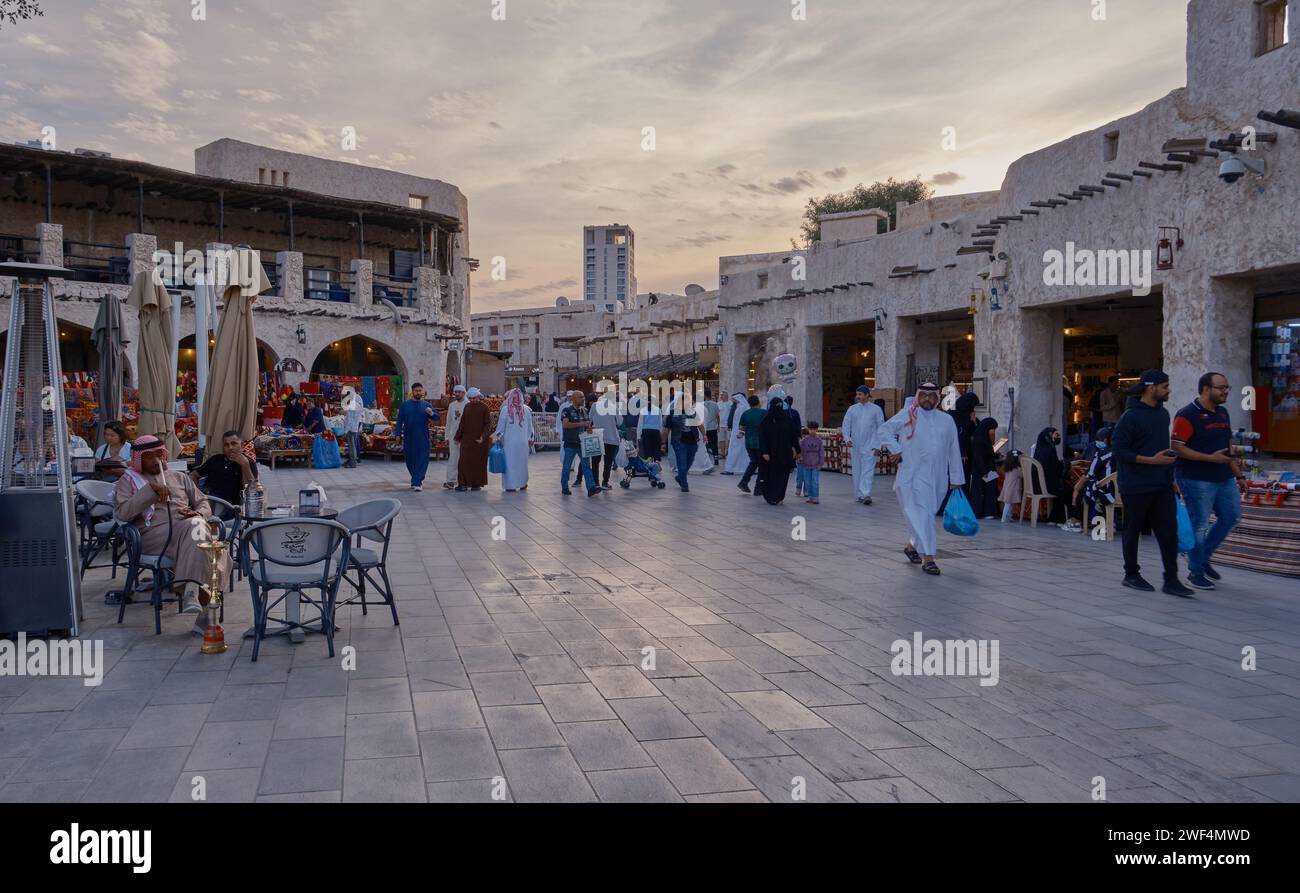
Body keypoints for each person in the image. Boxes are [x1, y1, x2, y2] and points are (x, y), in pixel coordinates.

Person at [114, 435, 228, 634]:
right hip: (153, 536)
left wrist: (199, 513)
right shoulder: (127, 481)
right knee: (213, 548)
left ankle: (192, 592)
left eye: (160, 454)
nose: (157, 460)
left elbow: (203, 503)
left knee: (202, 533)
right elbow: (123, 513)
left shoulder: (179, 477)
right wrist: (149, 491)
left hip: (188, 530)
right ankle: (205, 611)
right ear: (139, 459)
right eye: (150, 457)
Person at [1110, 369, 1194, 598]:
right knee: (1133, 529)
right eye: (1165, 387)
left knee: (1168, 531)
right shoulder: (1130, 417)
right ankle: (1131, 574)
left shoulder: (1163, 414)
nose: (1168, 391)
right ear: (1151, 388)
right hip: (1135, 484)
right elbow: (1119, 451)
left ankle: (1171, 579)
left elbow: (1162, 449)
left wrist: (1171, 478)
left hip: (1161, 484)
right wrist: (1151, 461)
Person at [875, 383, 965, 576]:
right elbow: (883, 430)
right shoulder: (908, 415)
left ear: (937, 398)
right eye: (923, 395)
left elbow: (953, 449)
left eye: (930, 396)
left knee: (926, 515)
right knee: (923, 515)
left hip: (938, 478)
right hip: (912, 476)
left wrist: (957, 477)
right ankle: (929, 558)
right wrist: (896, 450)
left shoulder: (946, 421)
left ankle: (911, 546)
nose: (926, 399)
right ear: (917, 397)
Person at [1171, 371, 1247, 590]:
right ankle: (1195, 571)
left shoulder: (1222, 413)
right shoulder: (1187, 415)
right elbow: (1177, 447)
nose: (1225, 392)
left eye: (1227, 388)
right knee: (1200, 524)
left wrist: (1238, 474)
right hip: (1196, 478)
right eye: (1221, 388)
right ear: (1206, 389)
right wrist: (1209, 458)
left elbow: (1228, 448)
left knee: (1231, 517)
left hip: (1223, 477)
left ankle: (1202, 557)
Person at [191, 430, 260, 506]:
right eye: (226, 445)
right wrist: (196, 494)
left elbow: (251, 492)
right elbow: (193, 475)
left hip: (225, 505)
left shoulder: (249, 463)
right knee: (180, 478)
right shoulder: (216, 459)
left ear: (242, 445)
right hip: (205, 498)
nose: (230, 447)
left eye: (234, 444)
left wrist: (244, 465)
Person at [842, 385, 885, 506]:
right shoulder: (852, 409)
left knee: (868, 470)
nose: (858, 397)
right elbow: (846, 424)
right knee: (857, 470)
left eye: (860, 394)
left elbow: (880, 428)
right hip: (856, 445)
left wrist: (878, 445)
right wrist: (847, 438)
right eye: (857, 394)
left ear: (867, 395)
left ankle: (866, 494)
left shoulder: (876, 409)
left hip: (870, 445)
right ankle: (859, 494)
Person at [1073, 425, 1117, 529]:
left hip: (1107, 492)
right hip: (1123, 492)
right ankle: (1109, 522)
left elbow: (1090, 473)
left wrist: (1076, 488)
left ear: (1105, 440)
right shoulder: (1121, 451)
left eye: (1098, 440)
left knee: (1083, 490)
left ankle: (1077, 521)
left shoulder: (1102, 453)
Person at [396, 383, 438, 492]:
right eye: (416, 391)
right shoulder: (405, 405)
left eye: (420, 390)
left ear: (423, 392)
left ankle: (417, 482)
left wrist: (431, 413)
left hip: (423, 437)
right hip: (409, 437)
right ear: (412, 392)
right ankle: (415, 478)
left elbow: (436, 417)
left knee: (422, 460)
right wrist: (397, 434)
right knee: (410, 460)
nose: (418, 392)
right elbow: (399, 421)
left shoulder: (427, 405)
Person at [756, 397, 798, 505]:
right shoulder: (766, 421)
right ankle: (771, 496)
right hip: (771, 454)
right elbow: (762, 437)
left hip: (784, 454)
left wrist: (797, 450)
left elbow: (793, 435)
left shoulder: (787, 419)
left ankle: (779, 496)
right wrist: (764, 451)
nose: (778, 408)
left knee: (782, 476)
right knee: (770, 475)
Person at [559, 390, 600, 497]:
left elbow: (587, 425)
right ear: (573, 399)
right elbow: (565, 425)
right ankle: (564, 487)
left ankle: (591, 487)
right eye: (580, 397)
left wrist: (590, 429)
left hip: (582, 443)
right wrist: (581, 423)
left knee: (586, 466)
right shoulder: (566, 411)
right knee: (567, 467)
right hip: (570, 443)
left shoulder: (585, 411)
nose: (583, 399)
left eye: (583, 397)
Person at [494, 388, 534, 492]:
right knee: (522, 463)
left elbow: (500, 429)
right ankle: (522, 483)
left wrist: (498, 438)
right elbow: (531, 429)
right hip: (522, 443)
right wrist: (530, 439)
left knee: (510, 464)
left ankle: (510, 485)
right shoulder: (527, 410)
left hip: (509, 443)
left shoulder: (505, 410)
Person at [1032, 427, 1072, 527]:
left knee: (1062, 489)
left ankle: (1054, 519)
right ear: (1049, 435)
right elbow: (1057, 470)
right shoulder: (1050, 450)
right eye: (1056, 435)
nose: (1058, 437)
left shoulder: (1038, 449)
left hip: (1036, 486)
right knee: (1067, 491)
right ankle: (1061, 519)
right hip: (1046, 486)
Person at [455, 387, 491, 491]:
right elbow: (462, 423)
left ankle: (476, 483)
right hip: (467, 440)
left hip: (479, 441)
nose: (472, 400)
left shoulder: (485, 408)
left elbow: (487, 424)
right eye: (470, 398)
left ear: (479, 397)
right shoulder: (467, 407)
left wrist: (483, 437)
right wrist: (458, 437)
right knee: (463, 462)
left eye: (474, 398)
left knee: (478, 463)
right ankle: (462, 484)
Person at [665, 394, 703, 493]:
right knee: (682, 464)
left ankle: (680, 477)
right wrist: (662, 443)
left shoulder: (692, 412)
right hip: (679, 442)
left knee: (689, 463)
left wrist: (705, 434)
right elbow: (666, 430)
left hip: (692, 442)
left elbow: (699, 424)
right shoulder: (672, 414)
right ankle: (684, 485)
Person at [969, 417, 1001, 519]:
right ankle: (986, 512)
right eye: (993, 429)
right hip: (983, 470)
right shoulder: (979, 440)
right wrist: (985, 473)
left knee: (990, 489)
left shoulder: (982, 437)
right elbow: (979, 457)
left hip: (987, 468)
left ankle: (989, 512)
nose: (993, 432)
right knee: (984, 490)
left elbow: (988, 452)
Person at [592, 389, 623, 489]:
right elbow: (620, 422)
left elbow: (590, 418)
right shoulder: (614, 407)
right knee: (608, 461)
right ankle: (605, 482)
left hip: (597, 437)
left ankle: (595, 483)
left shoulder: (594, 405)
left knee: (595, 461)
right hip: (611, 438)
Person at [736, 395, 765, 494]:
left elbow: (742, 428)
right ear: (758, 402)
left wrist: (740, 434)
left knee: (753, 462)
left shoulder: (745, 413)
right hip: (760, 442)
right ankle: (758, 488)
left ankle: (744, 482)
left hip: (749, 442)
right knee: (761, 464)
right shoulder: (763, 412)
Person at [443, 385, 468, 489]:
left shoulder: (468, 404)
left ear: (463, 393)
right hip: (454, 436)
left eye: (459, 392)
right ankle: (451, 480)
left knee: (465, 458)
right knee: (453, 458)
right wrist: (447, 437)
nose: (456, 394)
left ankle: (464, 480)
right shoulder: (452, 405)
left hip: (465, 436)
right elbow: (448, 422)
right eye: (455, 392)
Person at [723, 393, 750, 475]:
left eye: (734, 399)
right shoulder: (740, 407)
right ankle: (735, 467)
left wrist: (740, 432)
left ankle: (732, 468)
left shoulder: (742, 408)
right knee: (738, 449)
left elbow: (742, 421)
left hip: (739, 432)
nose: (732, 400)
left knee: (736, 449)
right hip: (737, 431)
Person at [799, 422, 825, 504]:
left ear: (817, 429)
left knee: (815, 481)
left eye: (814, 429)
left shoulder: (819, 441)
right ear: (808, 429)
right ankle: (810, 497)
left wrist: (820, 464)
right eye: (811, 429)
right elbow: (800, 452)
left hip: (816, 465)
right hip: (806, 465)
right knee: (807, 481)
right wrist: (800, 459)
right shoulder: (803, 441)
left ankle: (815, 497)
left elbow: (821, 453)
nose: (812, 431)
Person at [341, 386, 364, 469]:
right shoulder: (356, 400)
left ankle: (353, 463)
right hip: (354, 426)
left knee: (352, 445)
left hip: (352, 427)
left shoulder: (354, 401)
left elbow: (350, 416)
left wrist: (347, 429)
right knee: (353, 444)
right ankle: (352, 461)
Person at [1000, 450, 1024, 523]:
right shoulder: (1017, 469)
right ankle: (1004, 518)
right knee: (1009, 504)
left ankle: (1008, 517)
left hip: (1007, 488)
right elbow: (1023, 475)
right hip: (1013, 489)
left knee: (1009, 504)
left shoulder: (1007, 468)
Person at [703, 389, 721, 463]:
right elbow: (717, 416)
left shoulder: (702, 404)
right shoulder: (715, 404)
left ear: (704, 396)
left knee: (705, 444)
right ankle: (716, 458)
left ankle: (706, 460)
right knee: (714, 443)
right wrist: (718, 425)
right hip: (713, 427)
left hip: (705, 427)